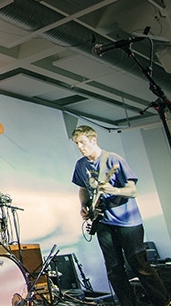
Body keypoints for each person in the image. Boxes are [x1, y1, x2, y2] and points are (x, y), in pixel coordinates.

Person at [71, 125, 169, 306]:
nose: (79, 147)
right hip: (103, 222)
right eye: (77, 143)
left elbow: (132, 191)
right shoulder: (81, 165)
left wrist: (113, 189)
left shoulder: (113, 159)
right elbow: (83, 188)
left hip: (128, 222)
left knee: (139, 265)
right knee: (114, 269)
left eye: (82, 142)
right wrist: (84, 206)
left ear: (93, 140)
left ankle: (163, 302)